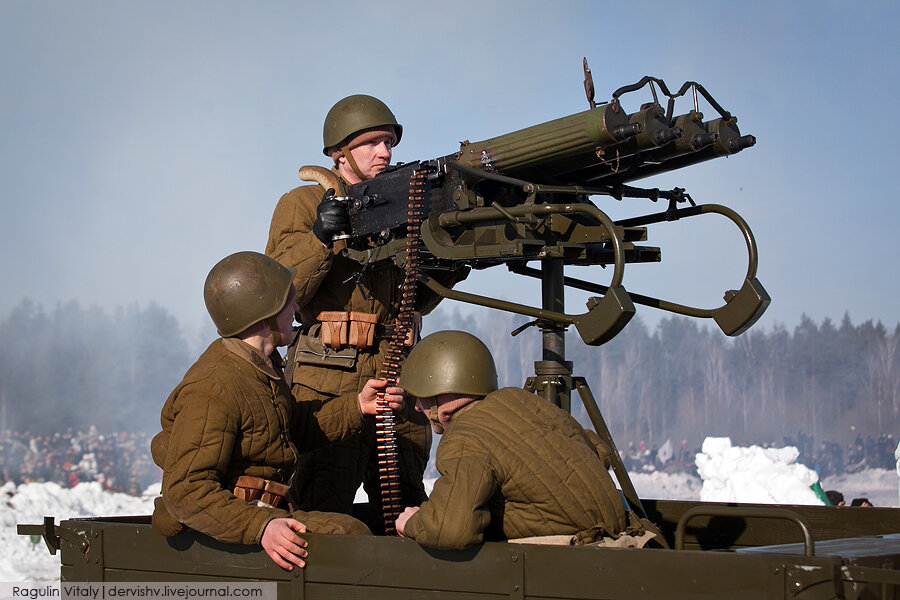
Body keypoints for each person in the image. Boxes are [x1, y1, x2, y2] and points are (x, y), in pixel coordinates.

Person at [265, 95, 466, 529]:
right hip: (329, 380)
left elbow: (411, 301)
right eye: (372, 143)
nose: (385, 153)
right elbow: (279, 292)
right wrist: (320, 237)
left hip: (396, 376)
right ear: (340, 154)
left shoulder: (400, 203)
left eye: (389, 142)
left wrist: (452, 261)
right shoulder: (303, 203)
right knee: (322, 506)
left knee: (405, 505)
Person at [150, 251, 404, 570]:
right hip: (236, 522)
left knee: (349, 532)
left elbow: (290, 428)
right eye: (287, 302)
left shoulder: (260, 368)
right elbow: (186, 490)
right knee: (348, 537)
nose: (296, 308)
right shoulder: (214, 386)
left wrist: (358, 406)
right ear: (263, 313)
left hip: (263, 512)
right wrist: (261, 526)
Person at [393, 330, 661, 550]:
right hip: (627, 543)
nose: (416, 406)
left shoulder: (465, 437)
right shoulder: (522, 402)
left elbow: (451, 531)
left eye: (421, 396)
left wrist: (414, 523)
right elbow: (599, 452)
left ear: (442, 392)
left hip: (576, 561)